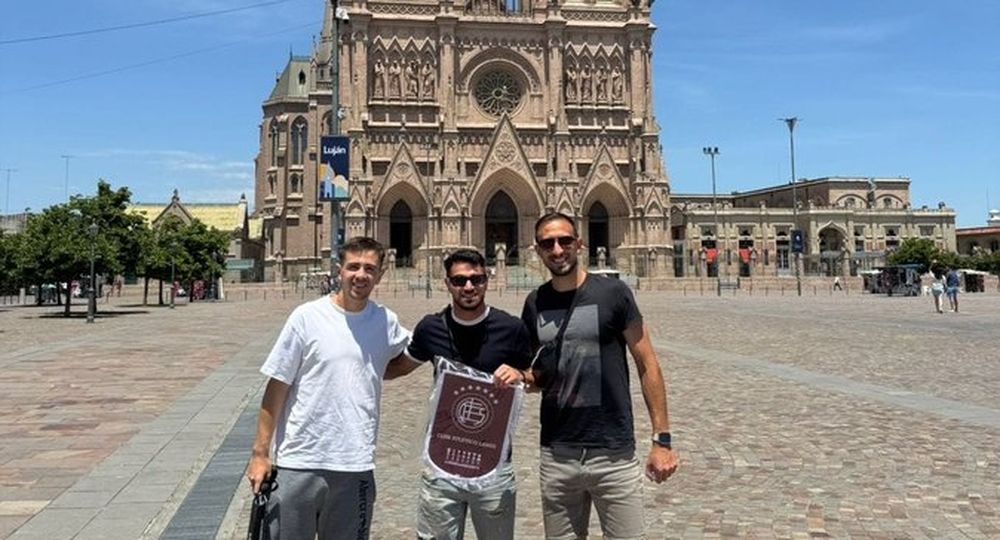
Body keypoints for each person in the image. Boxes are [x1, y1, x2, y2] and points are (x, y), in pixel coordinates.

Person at [520, 212, 679, 539]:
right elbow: (537, 374)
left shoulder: (614, 293)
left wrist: (662, 439)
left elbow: (647, 363)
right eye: (548, 243)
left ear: (580, 243)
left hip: (613, 453)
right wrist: (507, 379)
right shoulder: (535, 302)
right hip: (558, 454)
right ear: (536, 250)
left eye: (565, 240)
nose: (558, 249)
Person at [246, 236, 411, 540]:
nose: (361, 275)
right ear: (339, 270)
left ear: (381, 274)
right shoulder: (306, 317)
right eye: (354, 267)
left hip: (355, 464)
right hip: (299, 462)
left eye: (370, 268)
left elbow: (412, 353)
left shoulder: (385, 321)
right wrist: (260, 453)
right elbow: (277, 385)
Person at [384, 249, 533, 540]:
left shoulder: (511, 328)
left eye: (476, 279)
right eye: (459, 280)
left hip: (494, 466)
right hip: (442, 466)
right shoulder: (431, 328)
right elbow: (398, 367)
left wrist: (521, 375)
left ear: (487, 280)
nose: (468, 287)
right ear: (447, 283)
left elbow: (536, 376)